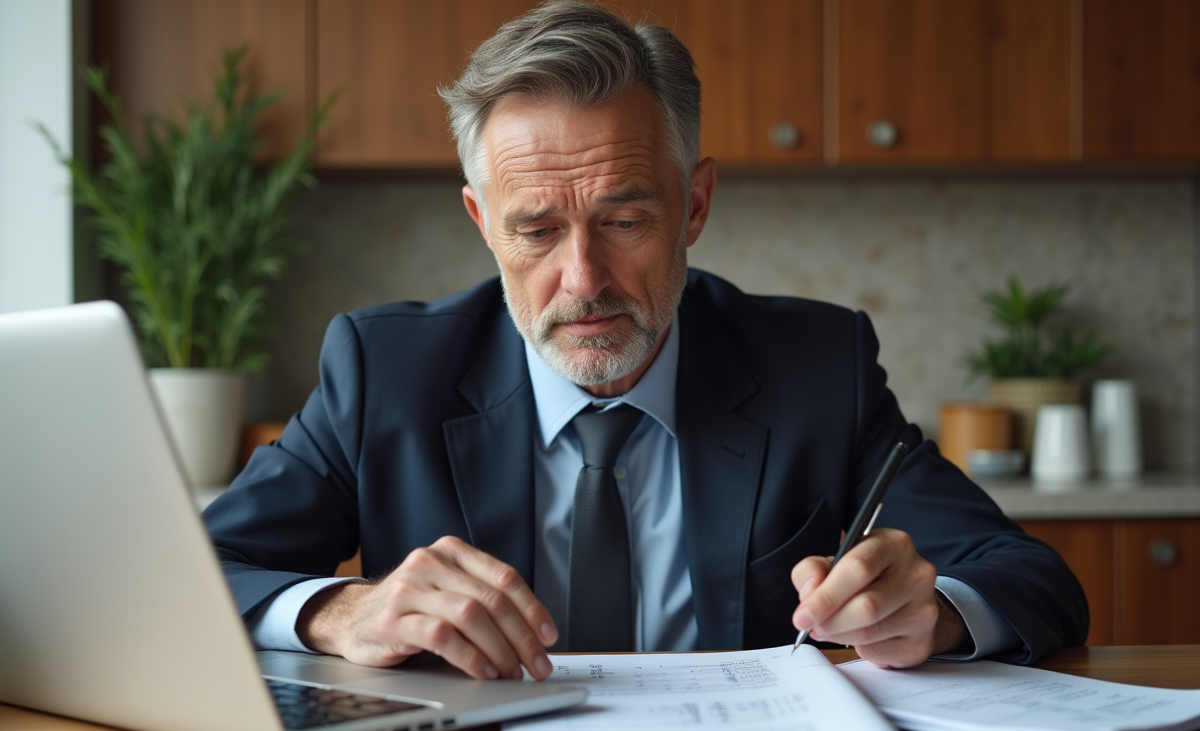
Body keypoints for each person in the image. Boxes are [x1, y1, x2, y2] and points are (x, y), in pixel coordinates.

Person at [204, 1, 1087, 683]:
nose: (584, 279)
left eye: (624, 219)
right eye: (537, 231)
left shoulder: (820, 366)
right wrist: (339, 613)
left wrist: (934, 615)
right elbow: (198, 575)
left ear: (694, 204)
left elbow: (1028, 577)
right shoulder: (383, 371)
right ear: (482, 222)